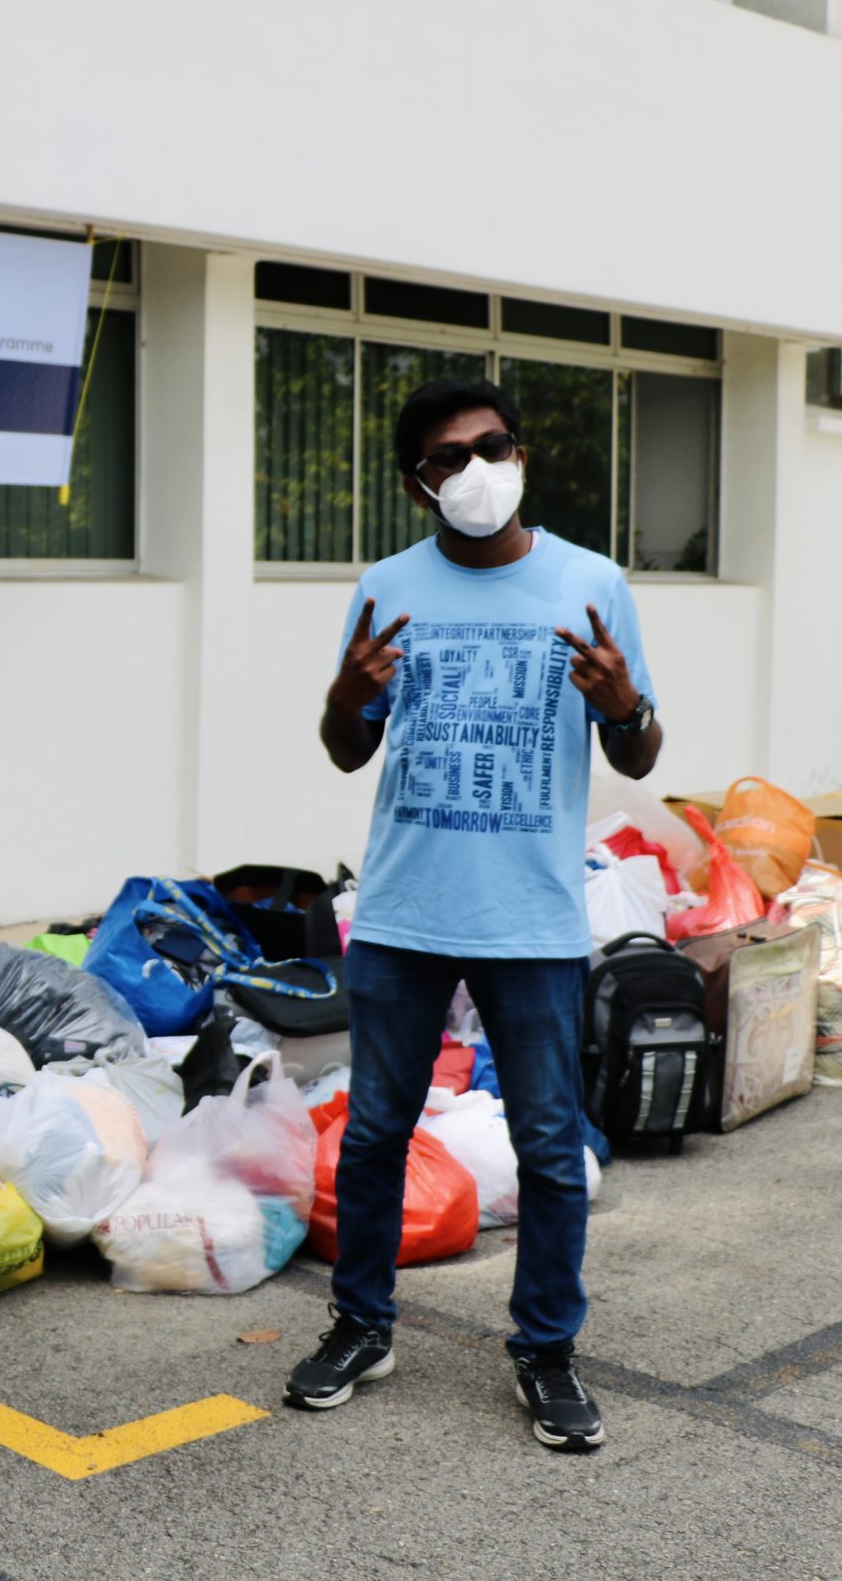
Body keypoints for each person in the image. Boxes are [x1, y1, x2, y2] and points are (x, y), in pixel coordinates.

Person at [285, 377, 659, 1453]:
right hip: (404, 911)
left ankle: (546, 1349)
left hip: (530, 919)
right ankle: (362, 1325)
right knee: (374, 1135)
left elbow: (639, 751)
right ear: (419, 485)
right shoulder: (388, 585)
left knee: (549, 1146)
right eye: (448, 457)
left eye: (492, 446)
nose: (476, 469)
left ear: (521, 456)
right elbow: (347, 747)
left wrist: (624, 705)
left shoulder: (590, 582)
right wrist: (344, 697)